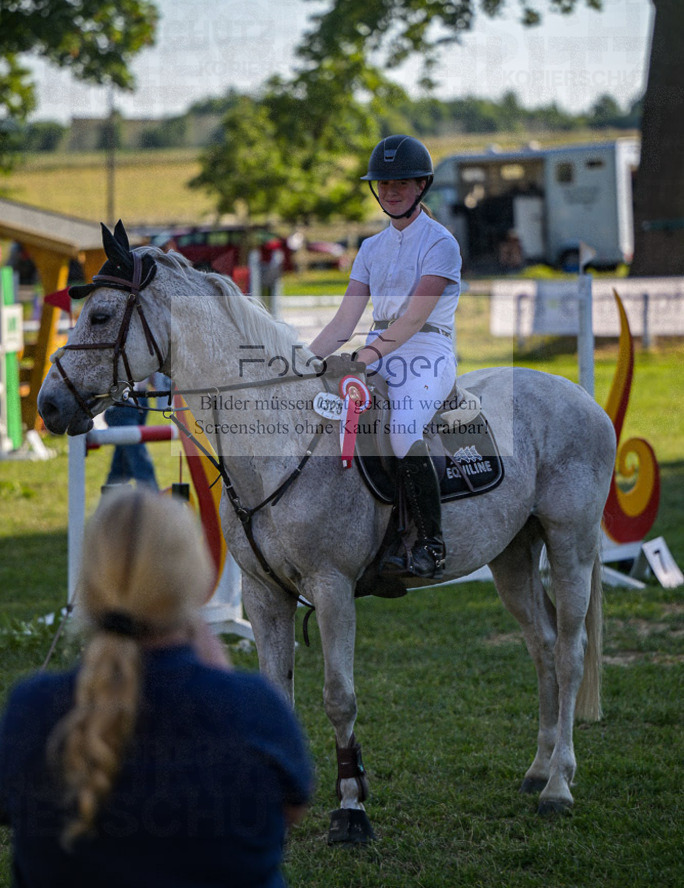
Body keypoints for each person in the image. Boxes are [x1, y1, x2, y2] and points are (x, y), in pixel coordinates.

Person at [0, 487, 313, 888]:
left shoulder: (33, 709)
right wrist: (225, 680)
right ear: (193, 579)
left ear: (92, 581)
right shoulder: (255, 710)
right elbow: (292, 806)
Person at [309, 135, 462, 580]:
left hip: (427, 351)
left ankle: (431, 543)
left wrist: (365, 354)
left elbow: (414, 320)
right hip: (377, 350)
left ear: (421, 185)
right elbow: (342, 324)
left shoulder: (441, 244)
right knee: (324, 410)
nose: (390, 191)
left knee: (402, 428)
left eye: (400, 183)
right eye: (383, 183)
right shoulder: (370, 249)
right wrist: (299, 361)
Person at [104, 372, 173, 489]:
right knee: (140, 461)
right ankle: (153, 502)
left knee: (121, 466)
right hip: (122, 404)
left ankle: (107, 504)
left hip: (139, 400)